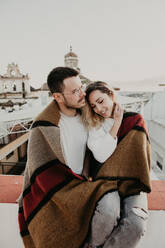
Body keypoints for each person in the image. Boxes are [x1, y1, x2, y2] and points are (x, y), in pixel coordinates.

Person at [18, 68, 151, 248]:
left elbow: (139, 161)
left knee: (133, 224)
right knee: (107, 212)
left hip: (109, 184)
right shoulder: (46, 125)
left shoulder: (89, 116)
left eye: (81, 87)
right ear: (57, 97)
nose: (83, 94)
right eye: (75, 92)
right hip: (70, 185)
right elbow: (37, 166)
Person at [81, 81, 150, 248]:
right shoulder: (94, 125)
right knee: (107, 214)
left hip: (133, 184)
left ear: (111, 95)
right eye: (93, 106)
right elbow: (101, 155)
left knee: (136, 225)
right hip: (105, 183)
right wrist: (117, 123)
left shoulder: (135, 119)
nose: (99, 109)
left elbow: (140, 157)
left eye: (101, 101)